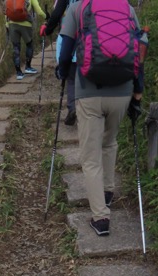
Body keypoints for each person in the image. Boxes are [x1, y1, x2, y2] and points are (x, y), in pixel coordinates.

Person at [56, 1, 144, 236]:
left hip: (89, 92)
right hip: (122, 91)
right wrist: (138, 91)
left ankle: (101, 217)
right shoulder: (127, 8)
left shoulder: (79, 8)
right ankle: (107, 191)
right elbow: (139, 48)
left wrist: (62, 72)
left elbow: (65, 50)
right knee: (110, 141)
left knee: (90, 157)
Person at [39, 0, 79, 126]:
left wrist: (48, 29)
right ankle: (88, 110)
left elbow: (57, 14)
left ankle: (73, 108)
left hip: (69, 37)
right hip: (90, 41)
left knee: (71, 79)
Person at [7, 0, 46, 80]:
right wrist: (47, 16)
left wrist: (7, 24)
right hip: (26, 24)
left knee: (16, 47)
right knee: (29, 44)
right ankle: (28, 67)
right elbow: (38, 10)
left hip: (12, 24)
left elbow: (7, 10)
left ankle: (19, 73)